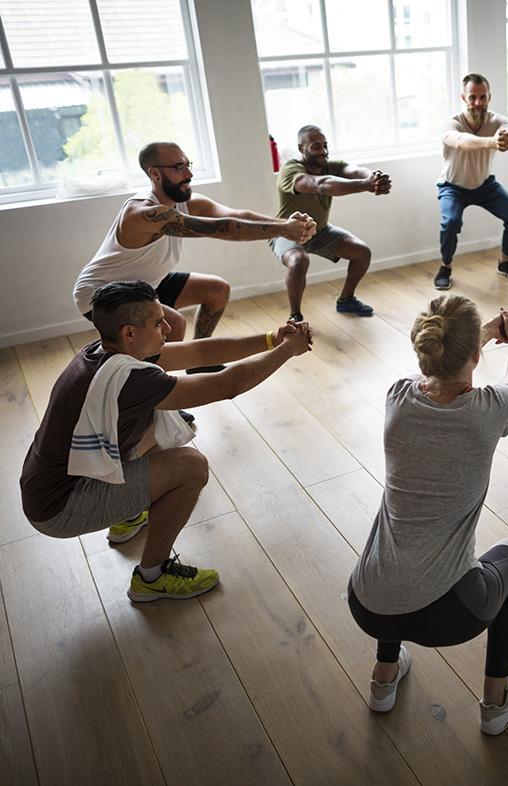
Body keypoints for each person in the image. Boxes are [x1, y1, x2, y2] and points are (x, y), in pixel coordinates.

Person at [21, 281, 314, 601]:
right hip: (60, 508)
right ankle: (152, 576)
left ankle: (127, 517)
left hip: (45, 485)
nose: (168, 326)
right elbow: (229, 384)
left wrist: (272, 338)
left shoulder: (103, 352)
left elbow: (201, 351)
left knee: (164, 423)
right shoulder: (132, 378)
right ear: (129, 332)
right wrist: (288, 350)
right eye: (157, 321)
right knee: (191, 466)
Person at [348, 294, 508, 735]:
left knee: (400, 555)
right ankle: (495, 702)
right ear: (474, 356)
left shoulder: (398, 397)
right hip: (450, 617)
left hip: (368, 601)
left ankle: (384, 680)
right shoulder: (488, 411)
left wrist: (481, 333)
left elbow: (436, 369)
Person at [74, 142, 317, 354]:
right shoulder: (142, 213)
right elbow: (225, 228)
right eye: (179, 168)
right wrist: (285, 230)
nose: (189, 173)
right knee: (174, 325)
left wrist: (286, 223)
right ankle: (157, 389)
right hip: (100, 293)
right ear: (155, 173)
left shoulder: (186, 203)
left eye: (188, 164)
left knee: (216, 291)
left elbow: (236, 215)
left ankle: (200, 359)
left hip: (146, 284)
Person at [272, 125, 392, 322]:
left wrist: (373, 177)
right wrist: (365, 185)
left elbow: (354, 170)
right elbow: (320, 185)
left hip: (319, 232)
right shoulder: (291, 170)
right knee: (299, 261)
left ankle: (346, 300)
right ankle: (295, 316)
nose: (323, 151)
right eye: (316, 146)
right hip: (288, 232)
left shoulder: (329, 165)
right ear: (301, 148)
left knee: (362, 253)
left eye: (325, 145)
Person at [434, 73, 508, 291]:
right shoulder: (451, 123)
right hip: (452, 186)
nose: (478, 102)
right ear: (463, 98)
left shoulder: (497, 121)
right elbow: (461, 141)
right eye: (473, 97)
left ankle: (505, 262)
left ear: (489, 97)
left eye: (482, 97)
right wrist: (492, 142)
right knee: (451, 223)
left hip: (484, 185)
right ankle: (445, 267)